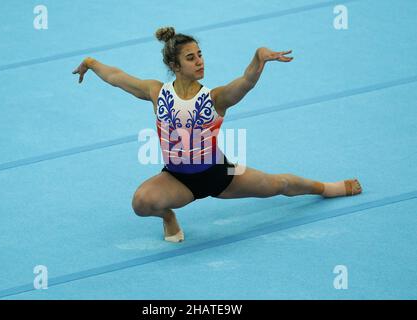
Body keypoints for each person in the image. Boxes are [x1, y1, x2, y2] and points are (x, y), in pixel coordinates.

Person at [72, 26, 362, 243]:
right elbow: (117, 77)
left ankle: (327, 188)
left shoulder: (214, 99)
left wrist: (258, 57)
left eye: (200, 55)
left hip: (220, 173)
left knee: (279, 184)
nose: (199, 61)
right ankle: (169, 216)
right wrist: (91, 63)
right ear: (175, 66)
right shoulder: (157, 92)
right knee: (141, 203)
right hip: (177, 178)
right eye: (190, 58)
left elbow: (245, 82)